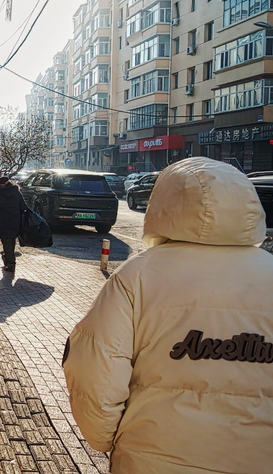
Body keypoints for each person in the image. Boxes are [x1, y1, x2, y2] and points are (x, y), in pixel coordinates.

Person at [62, 157, 273, 473]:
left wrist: (111, 440)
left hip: (152, 458)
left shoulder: (137, 275)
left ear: (162, 205)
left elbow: (94, 371)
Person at [0, 176, 26, 274]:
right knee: (11, 240)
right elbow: (23, 207)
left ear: (0, 185)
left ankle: (10, 263)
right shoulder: (16, 192)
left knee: (6, 241)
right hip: (15, 220)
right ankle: (8, 259)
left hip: (3, 221)